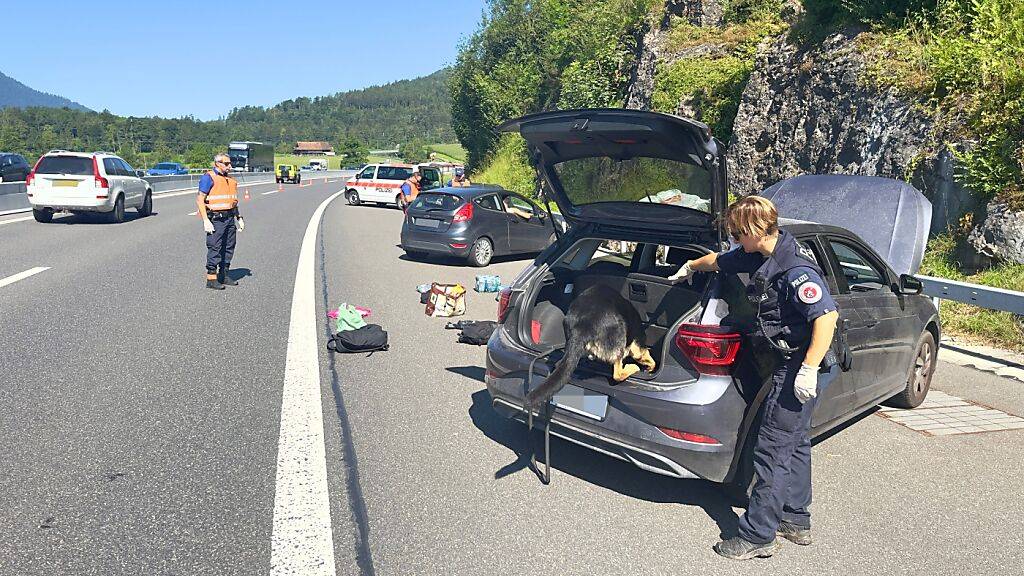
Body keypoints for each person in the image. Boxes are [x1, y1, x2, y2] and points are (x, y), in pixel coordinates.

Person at [670, 196, 839, 560]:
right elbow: (719, 261)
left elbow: (826, 317)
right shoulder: (759, 253)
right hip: (790, 361)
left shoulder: (796, 271)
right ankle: (795, 519)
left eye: (736, 233)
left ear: (754, 231)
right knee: (795, 443)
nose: (734, 240)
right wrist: (690, 265)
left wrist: (808, 368)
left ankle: (759, 534)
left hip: (800, 365)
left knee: (772, 448)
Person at [197, 153, 244, 290]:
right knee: (215, 247)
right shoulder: (209, 178)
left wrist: (239, 217)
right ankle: (211, 278)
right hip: (216, 219)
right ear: (217, 163)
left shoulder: (229, 179)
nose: (230, 166)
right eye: (227, 163)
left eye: (230, 163)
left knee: (229, 247)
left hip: (230, 218)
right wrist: (206, 220)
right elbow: (200, 200)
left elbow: (233, 201)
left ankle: (224, 275)